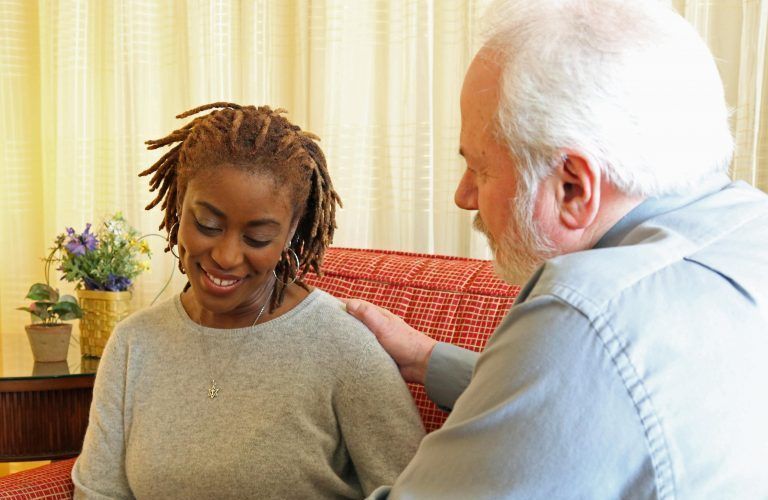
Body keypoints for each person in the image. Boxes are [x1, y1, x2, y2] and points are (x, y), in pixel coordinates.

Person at [344, 1, 768, 498]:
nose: (464, 195)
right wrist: (426, 359)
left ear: (572, 187)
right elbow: (601, 407)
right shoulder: (748, 227)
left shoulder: (587, 314)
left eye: (480, 168)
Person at [72, 102, 425, 499]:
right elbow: (98, 492)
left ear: (292, 232)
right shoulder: (133, 343)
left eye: (257, 238)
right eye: (207, 224)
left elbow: (418, 491)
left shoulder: (346, 347)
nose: (226, 256)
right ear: (179, 205)